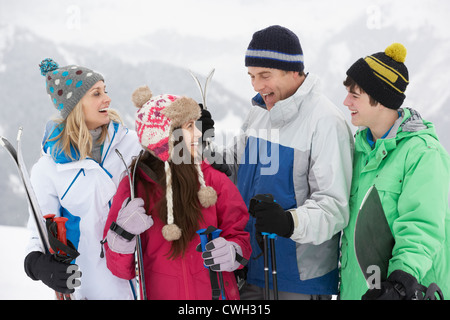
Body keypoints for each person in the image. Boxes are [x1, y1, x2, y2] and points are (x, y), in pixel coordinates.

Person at [224, 25, 354, 300]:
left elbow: (334, 207)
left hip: (298, 280)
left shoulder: (325, 121)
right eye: (251, 76)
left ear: (294, 71)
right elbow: (231, 166)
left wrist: (288, 222)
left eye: (265, 75)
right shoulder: (259, 114)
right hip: (249, 266)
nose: (257, 85)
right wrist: (196, 140)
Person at [102, 85, 251, 300]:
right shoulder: (135, 186)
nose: (199, 133)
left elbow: (241, 235)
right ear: (167, 137)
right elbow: (120, 270)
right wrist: (122, 236)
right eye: (189, 126)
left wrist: (233, 252)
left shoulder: (213, 180)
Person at [24, 58, 143, 300]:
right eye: (96, 93)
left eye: (105, 91)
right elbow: (39, 234)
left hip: (145, 284)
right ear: (76, 105)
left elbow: (172, 167)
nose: (107, 99)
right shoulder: (49, 169)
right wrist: (38, 265)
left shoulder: (133, 144)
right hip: (93, 290)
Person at [340, 43, 450, 300]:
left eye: (354, 95)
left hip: (405, 292)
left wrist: (400, 284)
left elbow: (422, 226)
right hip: (357, 292)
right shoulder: (358, 149)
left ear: (380, 100)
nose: (346, 102)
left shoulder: (423, 153)